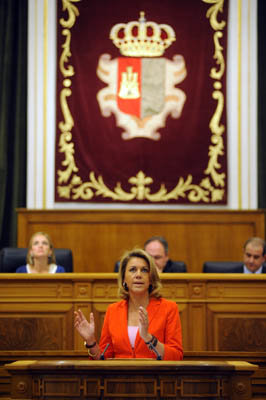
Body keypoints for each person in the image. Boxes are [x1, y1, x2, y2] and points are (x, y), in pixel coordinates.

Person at [74, 248, 183, 360]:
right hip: (119, 376)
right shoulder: (113, 310)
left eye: (144, 270)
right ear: (124, 279)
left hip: (155, 376)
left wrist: (148, 338)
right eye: (132, 270)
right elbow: (103, 359)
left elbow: (176, 356)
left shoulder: (169, 308)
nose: (138, 275)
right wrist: (91, 341)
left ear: (151, 278)